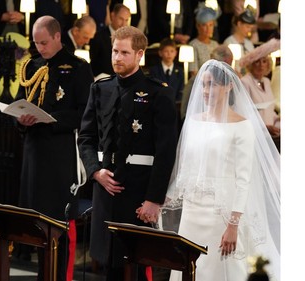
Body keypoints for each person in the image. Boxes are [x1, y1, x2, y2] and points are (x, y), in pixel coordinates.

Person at [161, 59, 280, 281]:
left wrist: (233, 225)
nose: (206, 91)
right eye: (203, 84)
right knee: (188, 266)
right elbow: (185, 167)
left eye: (212, 85)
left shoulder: (242, 126)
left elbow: (243, 179)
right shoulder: (193, 121)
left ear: (228, 86)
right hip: (192, 212)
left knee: (219, 267)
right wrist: (165, 198)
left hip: (222, 213)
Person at [77, 25, 178, 281]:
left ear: (139, 54)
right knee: (107, 263)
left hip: (138, 192)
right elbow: (87, 138)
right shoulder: (100, 88)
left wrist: (154, 199)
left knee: (134, 265)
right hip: (104, 187)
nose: (117, 58)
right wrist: (95, 171)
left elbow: (166, 151)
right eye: (114, 51)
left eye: (124, 52)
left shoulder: (158, 92)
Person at [14, 15, 94, 281]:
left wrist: (51, 119)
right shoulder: (30, 66)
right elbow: (18, 103)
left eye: (44, 42)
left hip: (60, 155)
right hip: (33, 153)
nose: (40, 49)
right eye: (36, 43)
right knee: (35, 225)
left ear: (58, 37)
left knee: (58, 224)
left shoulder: (78, 68)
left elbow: (85, 114)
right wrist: (22, 119)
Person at [239, 38, 280, 139]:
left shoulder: (266, 81)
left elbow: (269, 110)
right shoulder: (245, 82)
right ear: (251, 65)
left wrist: (277, 119)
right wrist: (264, 127)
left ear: (268, 64)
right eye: (257, 62)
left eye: (264, 61)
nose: (261, 65)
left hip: (271, 134)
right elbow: (244, 112)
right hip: (255, 134)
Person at [180, 44, 234, 121]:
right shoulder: (195, 79)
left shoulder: (230, 82)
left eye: (229, 64)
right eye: (225, 63)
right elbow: (185, 111)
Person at [89, 3, 131, 78]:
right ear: (112, 16)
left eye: (126, 20)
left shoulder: (129, 39)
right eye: (121, 19)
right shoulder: (99, 37)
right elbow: (93, 63)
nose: (123, 24)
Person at [148, 37, 184, 102]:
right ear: (160, 53)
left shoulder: (180, 71)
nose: (169, 54)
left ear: (176, 53)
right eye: (166, 51)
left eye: (172, 51)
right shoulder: (154, 71)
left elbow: (180, 92)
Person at [188, 5, 219, 78]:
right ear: (198, 26)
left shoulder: (215, 44)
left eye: (211, 25)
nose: (208, 29)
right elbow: (193, 72)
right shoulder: (193, 45)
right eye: (204, 25)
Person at [223, 8, 256, 75]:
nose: (249, 30)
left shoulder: (249, 44)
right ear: (239, 24)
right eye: (247, 27)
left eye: (251, 28)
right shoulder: (229, 42)